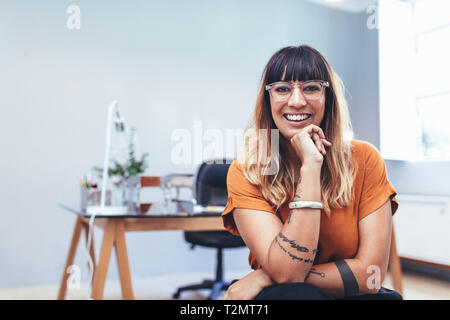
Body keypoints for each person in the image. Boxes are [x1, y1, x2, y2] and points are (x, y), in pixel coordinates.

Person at [221, 45, 402, 300]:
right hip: (290, 296)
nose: (297, 101)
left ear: (328, 98)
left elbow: (370, 276)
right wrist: (311, 167)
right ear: (268, 100)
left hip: (352, 293)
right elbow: (288, 276)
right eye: (282, 89)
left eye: (311, 87)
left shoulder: (365, 159)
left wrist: (265, 275)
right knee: (297, 295)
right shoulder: (246, 172)